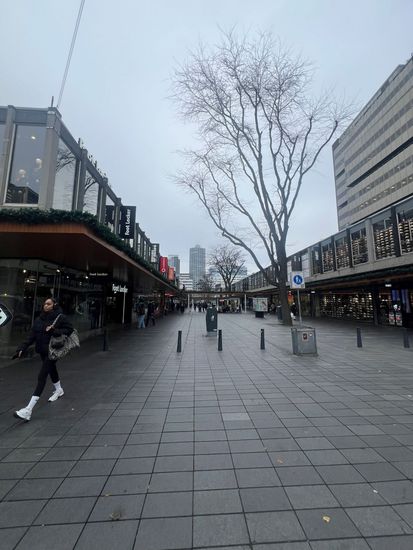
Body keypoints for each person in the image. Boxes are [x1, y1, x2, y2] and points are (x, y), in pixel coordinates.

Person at [12, 297, 74, 422]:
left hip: (53, 351)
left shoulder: (60, 317)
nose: (45, 305)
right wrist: (21, 348)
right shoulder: (39, 319)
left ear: (54, 305)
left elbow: (69, 330)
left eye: (48, 304)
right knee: (52, 369)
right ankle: (59, 390)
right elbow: (31, 336)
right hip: (42, 351)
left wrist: (54, 330)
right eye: (45, 304)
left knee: (42, 376)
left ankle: (28, 410)